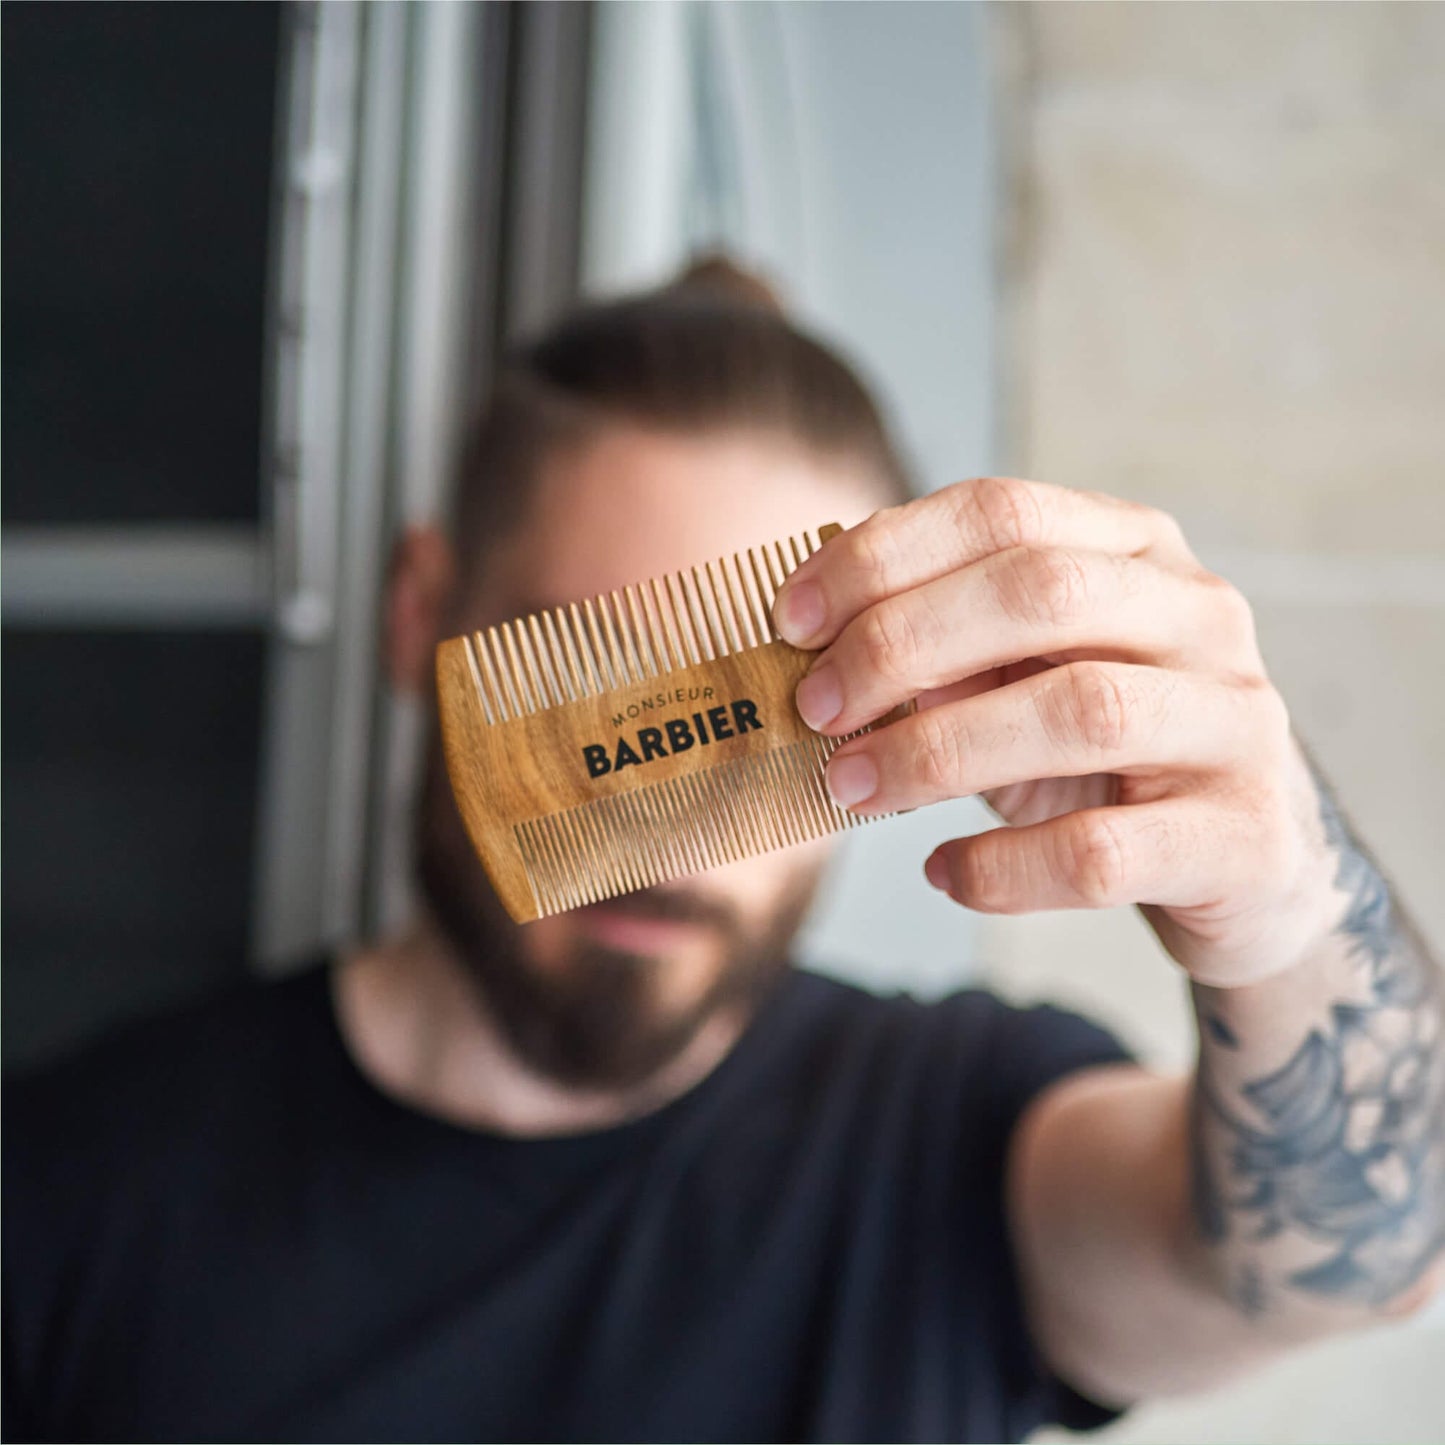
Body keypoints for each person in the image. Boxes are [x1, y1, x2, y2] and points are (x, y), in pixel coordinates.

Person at [5, 259, 1442, 1444]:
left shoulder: (953, 1146)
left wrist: (1284, 907)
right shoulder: (68, 1192)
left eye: (749, 728)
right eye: (616, 719)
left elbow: (1365, 1256)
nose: (665, 843)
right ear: (417, 613)